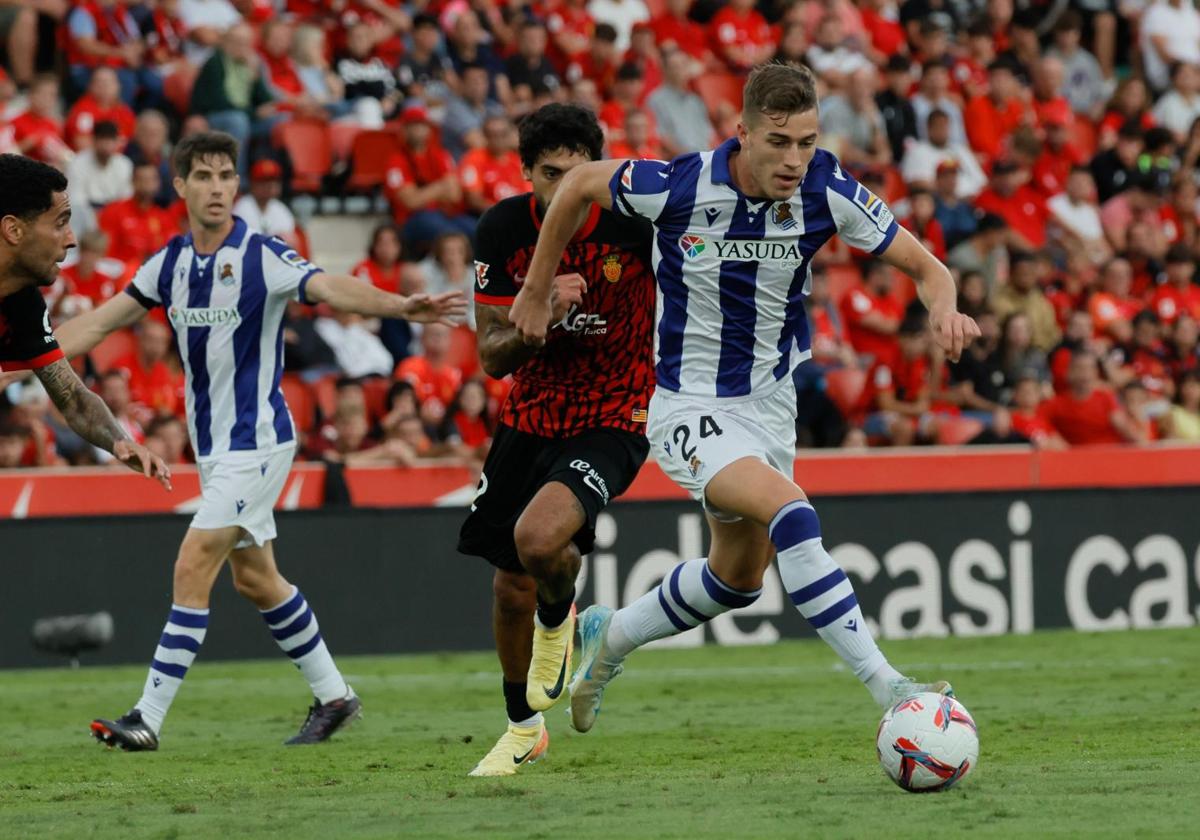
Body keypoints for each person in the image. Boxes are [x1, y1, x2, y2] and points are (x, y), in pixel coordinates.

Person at [509, 64, 978, 736]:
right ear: (744, 133)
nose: (794, 159)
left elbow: (928, 268)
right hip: (688, 405)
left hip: (769, 406)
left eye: (807, 141)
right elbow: (581, 182)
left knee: (736, 580)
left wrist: (946, 308)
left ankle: (606, 638)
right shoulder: (677, 184)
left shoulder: (827, 188)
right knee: (793, 513)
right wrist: (535, 288)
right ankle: (890, 686)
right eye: (779, 141)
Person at [48, 131, 464, 752]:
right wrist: (27, 355)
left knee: (193, 562)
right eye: (205, 176)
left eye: (226, 176)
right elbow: (102, 320)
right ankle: (335, 696)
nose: (218, 187)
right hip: (215, 449)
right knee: (258, 581)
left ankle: (147, 718)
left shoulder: (262, 255)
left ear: (236, 186)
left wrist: (403, 306)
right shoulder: (167, 265)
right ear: (181, 186)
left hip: (261, 441)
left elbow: (329, 287)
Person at [457, 103, 656, 776]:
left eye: (578, 174)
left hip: (616, 412)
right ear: (525, 173)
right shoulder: (503, 229)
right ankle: (522, 727)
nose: (563, 188)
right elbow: (491, 356)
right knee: (509, 585)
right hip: (531, 414)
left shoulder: (637, 222)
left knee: (539, 539)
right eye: (549, 175)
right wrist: (537, 319)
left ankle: (560, 620)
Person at [0, 154, 169, 486]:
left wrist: (118, 440)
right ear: (14, 230)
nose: (72, 239)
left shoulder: (23, 304)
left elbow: (73, 397)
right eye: (60, 222)